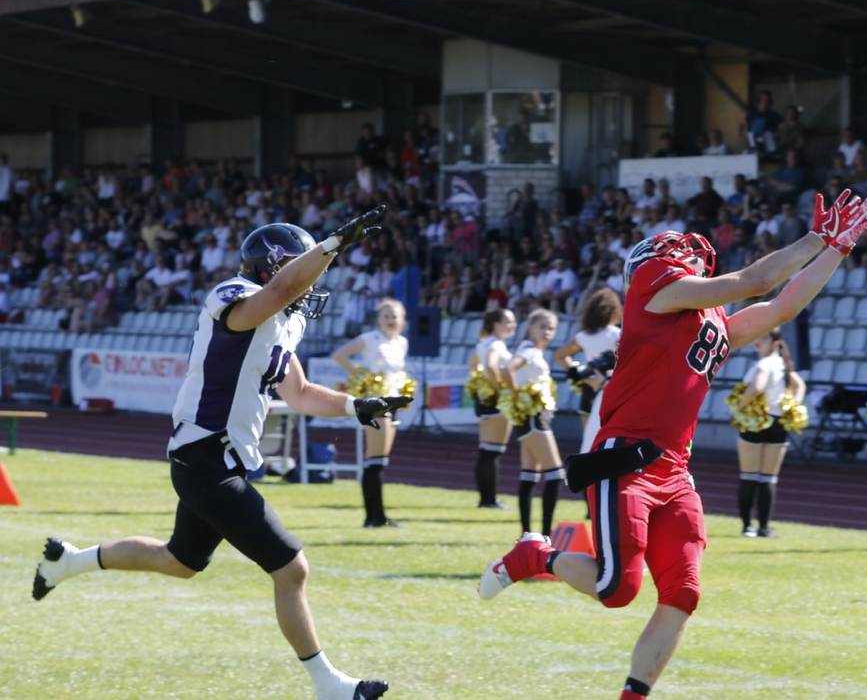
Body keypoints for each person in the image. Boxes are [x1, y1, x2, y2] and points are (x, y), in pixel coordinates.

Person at [477, 189, 867, 700]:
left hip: (675, 469)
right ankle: (536, 556)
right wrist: (817, 236)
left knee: (683, 593)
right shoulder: (652, 286)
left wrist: (837, 250)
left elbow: (781, 306)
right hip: (626, 459)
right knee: (616, 589)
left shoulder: (707, 323)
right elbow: (754, 281)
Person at [31, 210, 403, 699]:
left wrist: (357, 405)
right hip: (206, 457)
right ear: (270, 266)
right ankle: (328, 686)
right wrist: (331, 244)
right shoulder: (233, 295)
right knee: (292, 569)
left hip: (220, 462)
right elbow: (279, 292)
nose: (316, 277)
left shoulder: (285, 323)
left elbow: (302, 393)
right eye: (303, 264)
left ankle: (69, 561)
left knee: (180, 561)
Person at [330, 298, 410, 527]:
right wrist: (362, 378)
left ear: (402, 320)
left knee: (381, 460)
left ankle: (379, 515)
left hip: (393, 403)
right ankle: (374, 517)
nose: (390, 320)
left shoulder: (402, 342)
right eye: (386, 316)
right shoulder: (369, 339)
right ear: (378, 319)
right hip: (377, 404)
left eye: (395, 316)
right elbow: (340, 355)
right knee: (374, 459)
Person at [734, 328, 805, 538]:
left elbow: (756, 387)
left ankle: (748, 527)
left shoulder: (764, 364)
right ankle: (764, 528)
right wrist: (792, 406)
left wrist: (740, 405)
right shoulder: (785, 365)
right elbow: (800, 386)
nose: (757, 342)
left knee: (749, 475)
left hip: (756, 420)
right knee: (768, 477)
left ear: (775, 343)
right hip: (778, 422)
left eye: (762, 338)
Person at [507, 308, 565, 537]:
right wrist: (516, 395)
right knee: (556, 474)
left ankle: (527, 536)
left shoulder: (534, 352)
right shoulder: (528, 350)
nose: (546, 332)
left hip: (533, 416)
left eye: (551, 328)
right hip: (533, 417)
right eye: (542, 327)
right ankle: (545, 536)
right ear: (530, 327)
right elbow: (508, 368)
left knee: (529, 474)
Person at [468, 308, 518, 510]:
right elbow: (490, 365)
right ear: (496, 324)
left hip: (486, 398)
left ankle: (487, 498)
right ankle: (489, 500)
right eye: (508, 322)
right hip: (496, 399)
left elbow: (473, 363)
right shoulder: (496, 344)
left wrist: (480, 384)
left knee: (487, 450)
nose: (512, 326)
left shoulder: (484, 342)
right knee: (492, 451)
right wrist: (501, 389)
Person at [554, 288, 623, 431]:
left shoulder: (583, 336)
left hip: (589, 387)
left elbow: (559, 356)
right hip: (610, 386)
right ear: (615, 310)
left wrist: (580, 374)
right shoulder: (617, 334)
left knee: (588, 441)